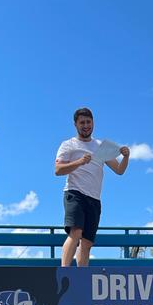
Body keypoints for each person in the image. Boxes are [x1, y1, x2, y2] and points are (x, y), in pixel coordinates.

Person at [54, 107, 130, 267]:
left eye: (88, 122)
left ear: (93, 123)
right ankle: (64, 271)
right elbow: (58, 170)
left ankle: (81, 278)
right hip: (74, 193)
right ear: (75, 124)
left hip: (94, 199)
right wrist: (79, 162)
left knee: (87, 242)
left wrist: (126, 157)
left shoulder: (101, 146)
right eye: (82, 122)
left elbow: (119, 170)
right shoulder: (68, 145)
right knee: (75, 233)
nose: (86, 125)